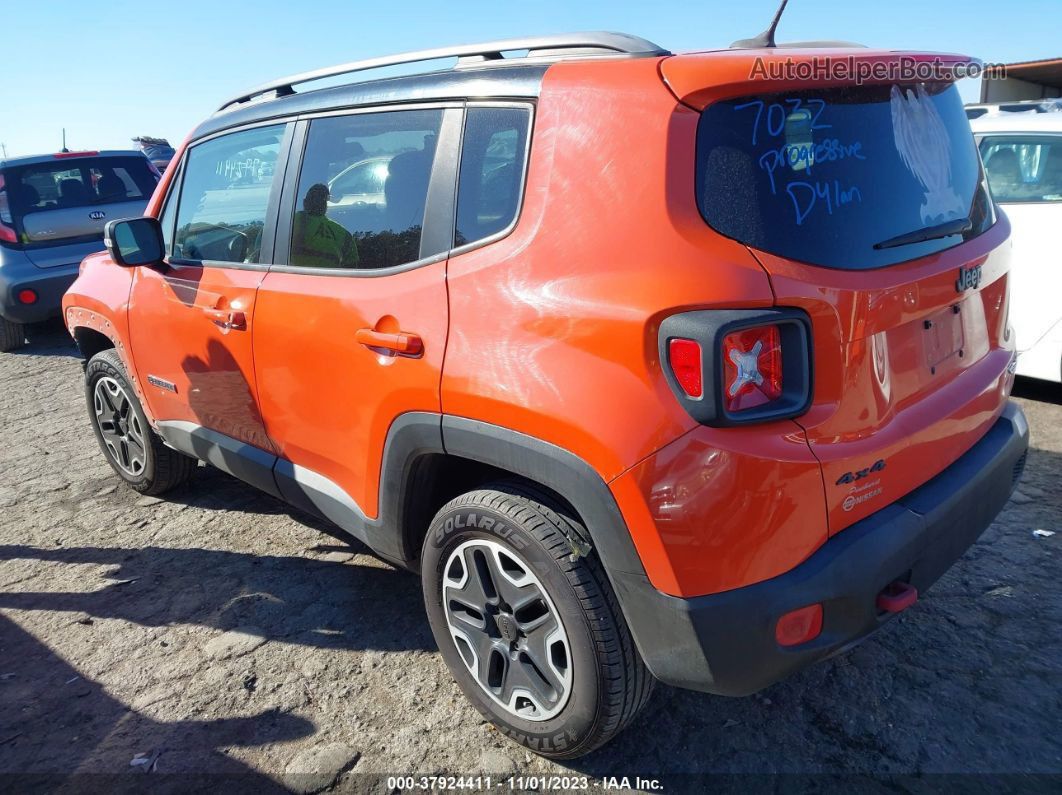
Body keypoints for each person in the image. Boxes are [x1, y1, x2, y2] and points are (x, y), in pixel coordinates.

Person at [290, 183, 359, 268]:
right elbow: (352, 271)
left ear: (305, 202)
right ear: (325, 205)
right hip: (329, 280)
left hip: (294, 278)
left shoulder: (290, 222)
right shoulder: (344, 234)